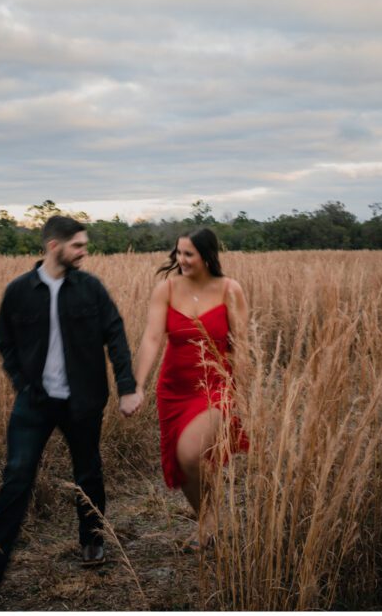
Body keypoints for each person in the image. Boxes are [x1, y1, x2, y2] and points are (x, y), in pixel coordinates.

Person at [0, 215, 144, 587]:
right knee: (17, 475)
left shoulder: (91, 288)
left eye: (84, 245)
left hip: (83, 399)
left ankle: (92, 542)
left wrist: (127, 387)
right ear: (53, 246)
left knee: (88, 472)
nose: (84, 252)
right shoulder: (19, 291)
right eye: (78, 245)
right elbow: (4, 340)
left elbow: (116, 336)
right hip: (35, 402)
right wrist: (23, 383)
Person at [132, 227, 249, 549]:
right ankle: (207, 519)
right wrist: (137, 385)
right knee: (184, 461)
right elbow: (152, 338)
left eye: (189, 254)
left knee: (190, 452)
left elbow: (240, 345)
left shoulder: (229, 289)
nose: (181, 259)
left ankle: (208, 520)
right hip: (174, 389)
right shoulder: (166, 289)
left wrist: (244, 392)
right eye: (179, 252)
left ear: (207, 256)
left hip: (215, 384)